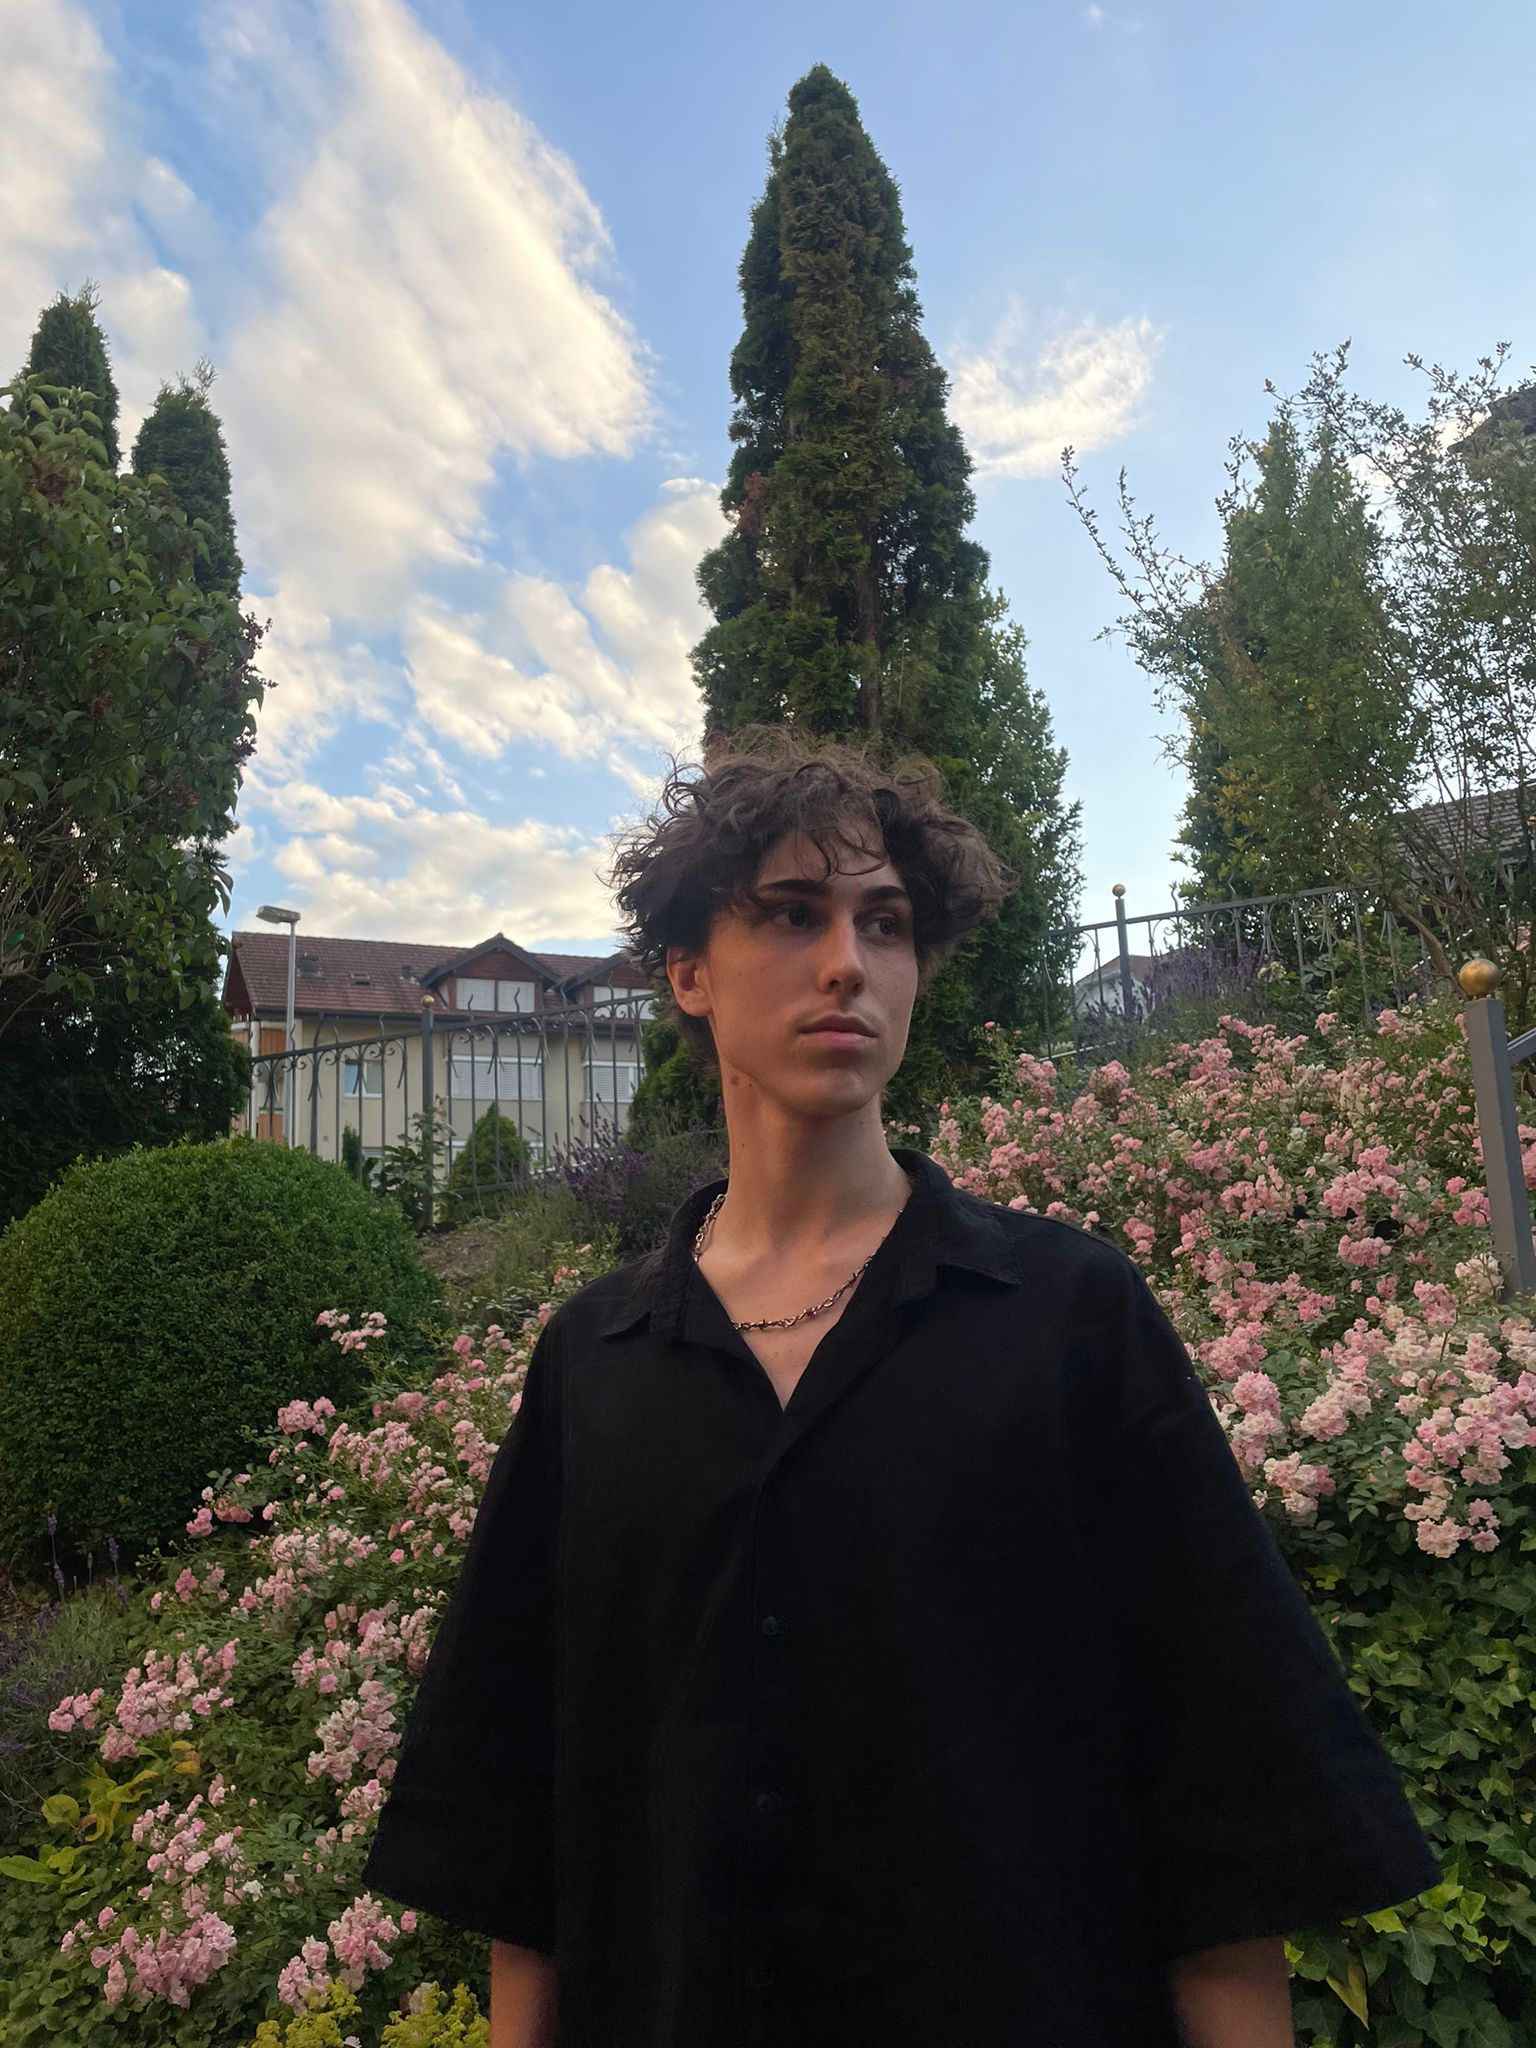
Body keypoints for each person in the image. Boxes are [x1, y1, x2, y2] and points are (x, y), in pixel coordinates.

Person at [361, 733, 1441, 2048]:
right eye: (792, 914)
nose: (848, 964)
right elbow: (516, 1827)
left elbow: (1226, 1794)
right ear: (688, 971)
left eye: (886, 924)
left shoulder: (1067, 1320)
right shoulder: (595, 1363)